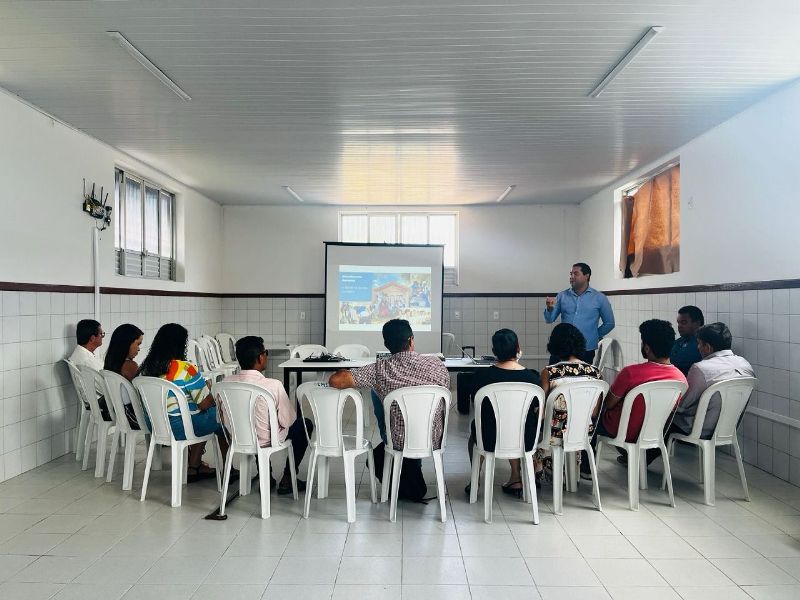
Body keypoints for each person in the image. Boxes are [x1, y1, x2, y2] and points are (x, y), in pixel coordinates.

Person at [329, 319, 450, 452]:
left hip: (399, 442)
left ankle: (393, 454)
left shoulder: (379, 369)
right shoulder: (437, 364)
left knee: (375, 392)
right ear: (411, 340)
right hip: (434, 439)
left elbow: (335, 381)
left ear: (387, 345)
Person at [592, 319, 687, 474]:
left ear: (647, 348)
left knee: (591, 416)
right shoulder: (680, 379)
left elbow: (608, 404)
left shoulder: (630, 373)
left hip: (621, 431)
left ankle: (585, 468)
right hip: (654, 433)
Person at [223, 336, 314, 494]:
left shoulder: (225, 383)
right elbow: (288, 420)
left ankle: (265, 475)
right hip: (266, 439)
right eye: (266, 353)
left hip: (239, 437)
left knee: (252, 425)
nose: (266, 356)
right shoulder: (273, 385)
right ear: (260, 358)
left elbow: (222, 417)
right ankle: (288, 477)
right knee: (304, 424)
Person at [138, 323, 228, 482]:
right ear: (181, 345)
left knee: (195, 413)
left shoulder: (145, 368)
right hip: (182, 428)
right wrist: (212, 391)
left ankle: (195, 465)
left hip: (156, 426)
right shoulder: (186, 368)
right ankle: (228, 470)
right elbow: (204, 403)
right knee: (220, 416)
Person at [464, 329, 540, 498]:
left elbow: (476, 404)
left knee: (476, 431)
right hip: (524, 439)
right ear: (518, 348)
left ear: (494, 352)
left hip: (489, 438)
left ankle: (475, 479)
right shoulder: (533, 378)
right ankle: (515, 476)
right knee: (515, 424)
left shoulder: (482, 376)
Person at [540, 323, 604, 480]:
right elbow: (595, 412)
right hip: (584, 433)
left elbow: (543, 411)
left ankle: (544, 466)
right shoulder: (595, 373)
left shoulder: (550, 372)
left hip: (556, 434)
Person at [671, 322, 755, 439]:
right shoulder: (745, 364)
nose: (698, 347)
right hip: (728, 428)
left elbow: (682, 405)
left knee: (661, 419)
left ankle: (653, 456)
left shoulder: (701, 368)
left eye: (699, 344)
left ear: (708, 347)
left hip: (698, 429)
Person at [543, 263, 615, 364]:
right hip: (561, 348)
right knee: (554, 377)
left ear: (587, 276)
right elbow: (549, 319)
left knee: (581, 378)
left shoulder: (599, 298)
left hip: (585, 349)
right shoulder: (562, 296)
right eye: (571, 274)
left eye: (576, 274)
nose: (571, 277)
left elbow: (609, 323)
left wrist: (593, 335)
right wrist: (549, 308)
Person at [103, 323, 144, 428]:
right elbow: (143, 392)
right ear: (127, 343)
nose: (139, 349)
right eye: (138, 344)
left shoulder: (111, 362)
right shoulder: (130, 366)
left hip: (119, 413)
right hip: (133, 418)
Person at [69, 319, 111, 421]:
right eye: (101, 334)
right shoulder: (87, 360)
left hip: (93, 401)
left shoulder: (79, 354)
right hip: (100, 405)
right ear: (92, 338)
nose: (103, 337)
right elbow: (105, 388)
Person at [670, 305, 705, 375]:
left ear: (697, 323)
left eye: (683, 322)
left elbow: (681, 361)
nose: (679, 326)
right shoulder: (679, 341)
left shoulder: (703, 344)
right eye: (678, 322)